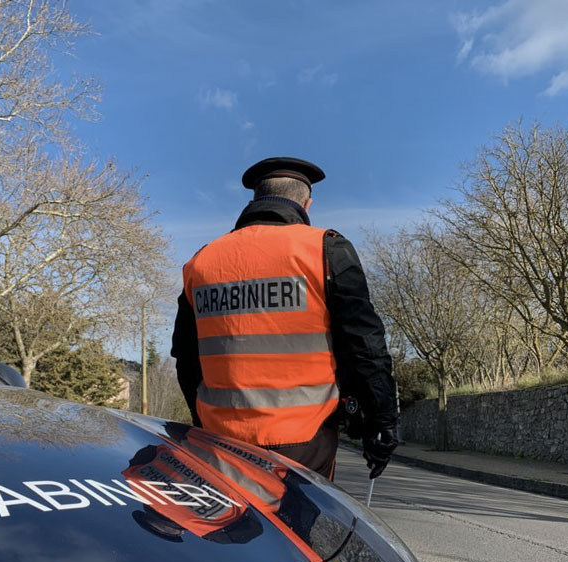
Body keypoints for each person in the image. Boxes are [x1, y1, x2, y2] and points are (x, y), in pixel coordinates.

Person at [170, 157, 397, 479]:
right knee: (297, 529)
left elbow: (186, 358)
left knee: (231, 527)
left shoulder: (202, 261)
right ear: (307, 203)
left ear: (254, 200)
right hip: (305, 443)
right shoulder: (324, 249)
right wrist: (382, 420)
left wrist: (201, 421)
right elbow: (364, 344)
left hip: (219, 440)